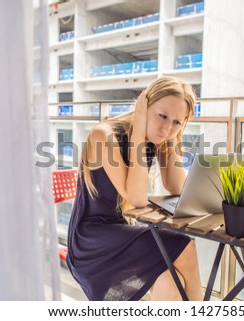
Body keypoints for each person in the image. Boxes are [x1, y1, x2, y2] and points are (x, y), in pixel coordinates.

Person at [66, 76, 204, 301]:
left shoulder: (158, 136)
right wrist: (139, 132)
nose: (166, 127)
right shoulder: (104, 134)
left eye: (177, 121)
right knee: (184, 244)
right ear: (145, 105)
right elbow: (137, 198)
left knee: (170, 280)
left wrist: (171, 137)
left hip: (122, 230)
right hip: (90, 240)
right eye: (162, 116)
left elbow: (176, 186)